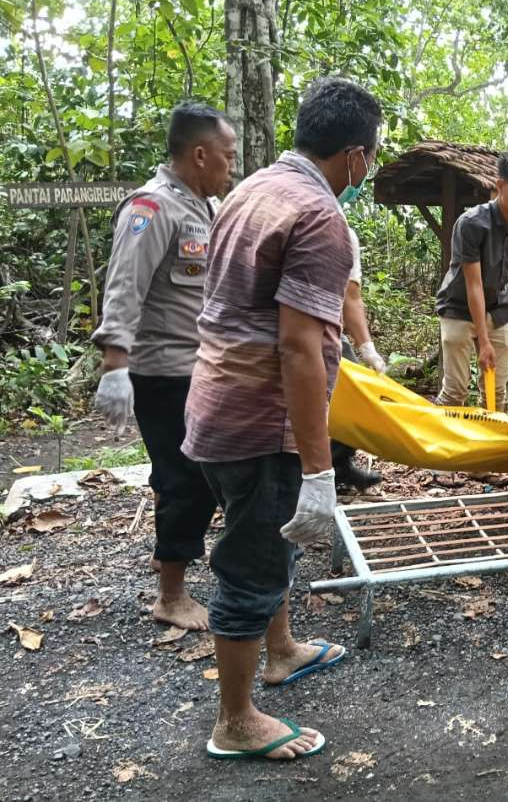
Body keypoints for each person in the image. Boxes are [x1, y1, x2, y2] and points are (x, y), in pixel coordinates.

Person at [182, 77, 382, 760]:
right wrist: (321, 466)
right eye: (372, 158)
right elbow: (299, 345)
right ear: (354, 155)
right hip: (261, 420)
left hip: (215, 402)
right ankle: (235, 721)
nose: (369, 169)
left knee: (275, 539)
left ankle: (284, 649)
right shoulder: (320, 217)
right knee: (255, 562)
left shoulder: (252, 189)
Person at [92, 102, 236, 631]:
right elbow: (125, 286)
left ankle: (177, 566)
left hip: (202, 369)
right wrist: (115, 364)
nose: (230, 166)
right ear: (199, 154)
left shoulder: (205, 209)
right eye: (226, 156)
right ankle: (170, 595)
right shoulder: (151, 209)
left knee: (204, 474)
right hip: (163, 372)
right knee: (183, 479)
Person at [433, 150, 508, 412]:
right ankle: (436, 447)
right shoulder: (471, 224)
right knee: (455, 391)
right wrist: (483, 341)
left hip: (497, 308)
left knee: (496, 391)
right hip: (458, 307)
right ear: (500, 185)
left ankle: (491, 447)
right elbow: (474, 284)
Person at [329, 225, 385, 491]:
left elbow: (351, 297)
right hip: (288, 331)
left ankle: (339, 465)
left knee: (352, 394)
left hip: (330, 332)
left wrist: (367, 349)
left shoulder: (344, 233)